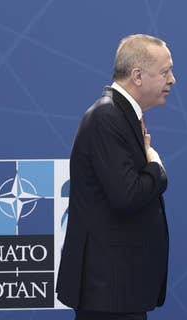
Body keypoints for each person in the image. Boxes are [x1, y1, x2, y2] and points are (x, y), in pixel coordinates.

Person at [56, 34, 176, 320]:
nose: (172, 80)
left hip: (120, 290)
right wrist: (157, 169)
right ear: (137, 76)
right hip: (108, 293)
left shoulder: (120, 116)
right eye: (165, 72)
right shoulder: (106, 118)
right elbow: (128, 195)